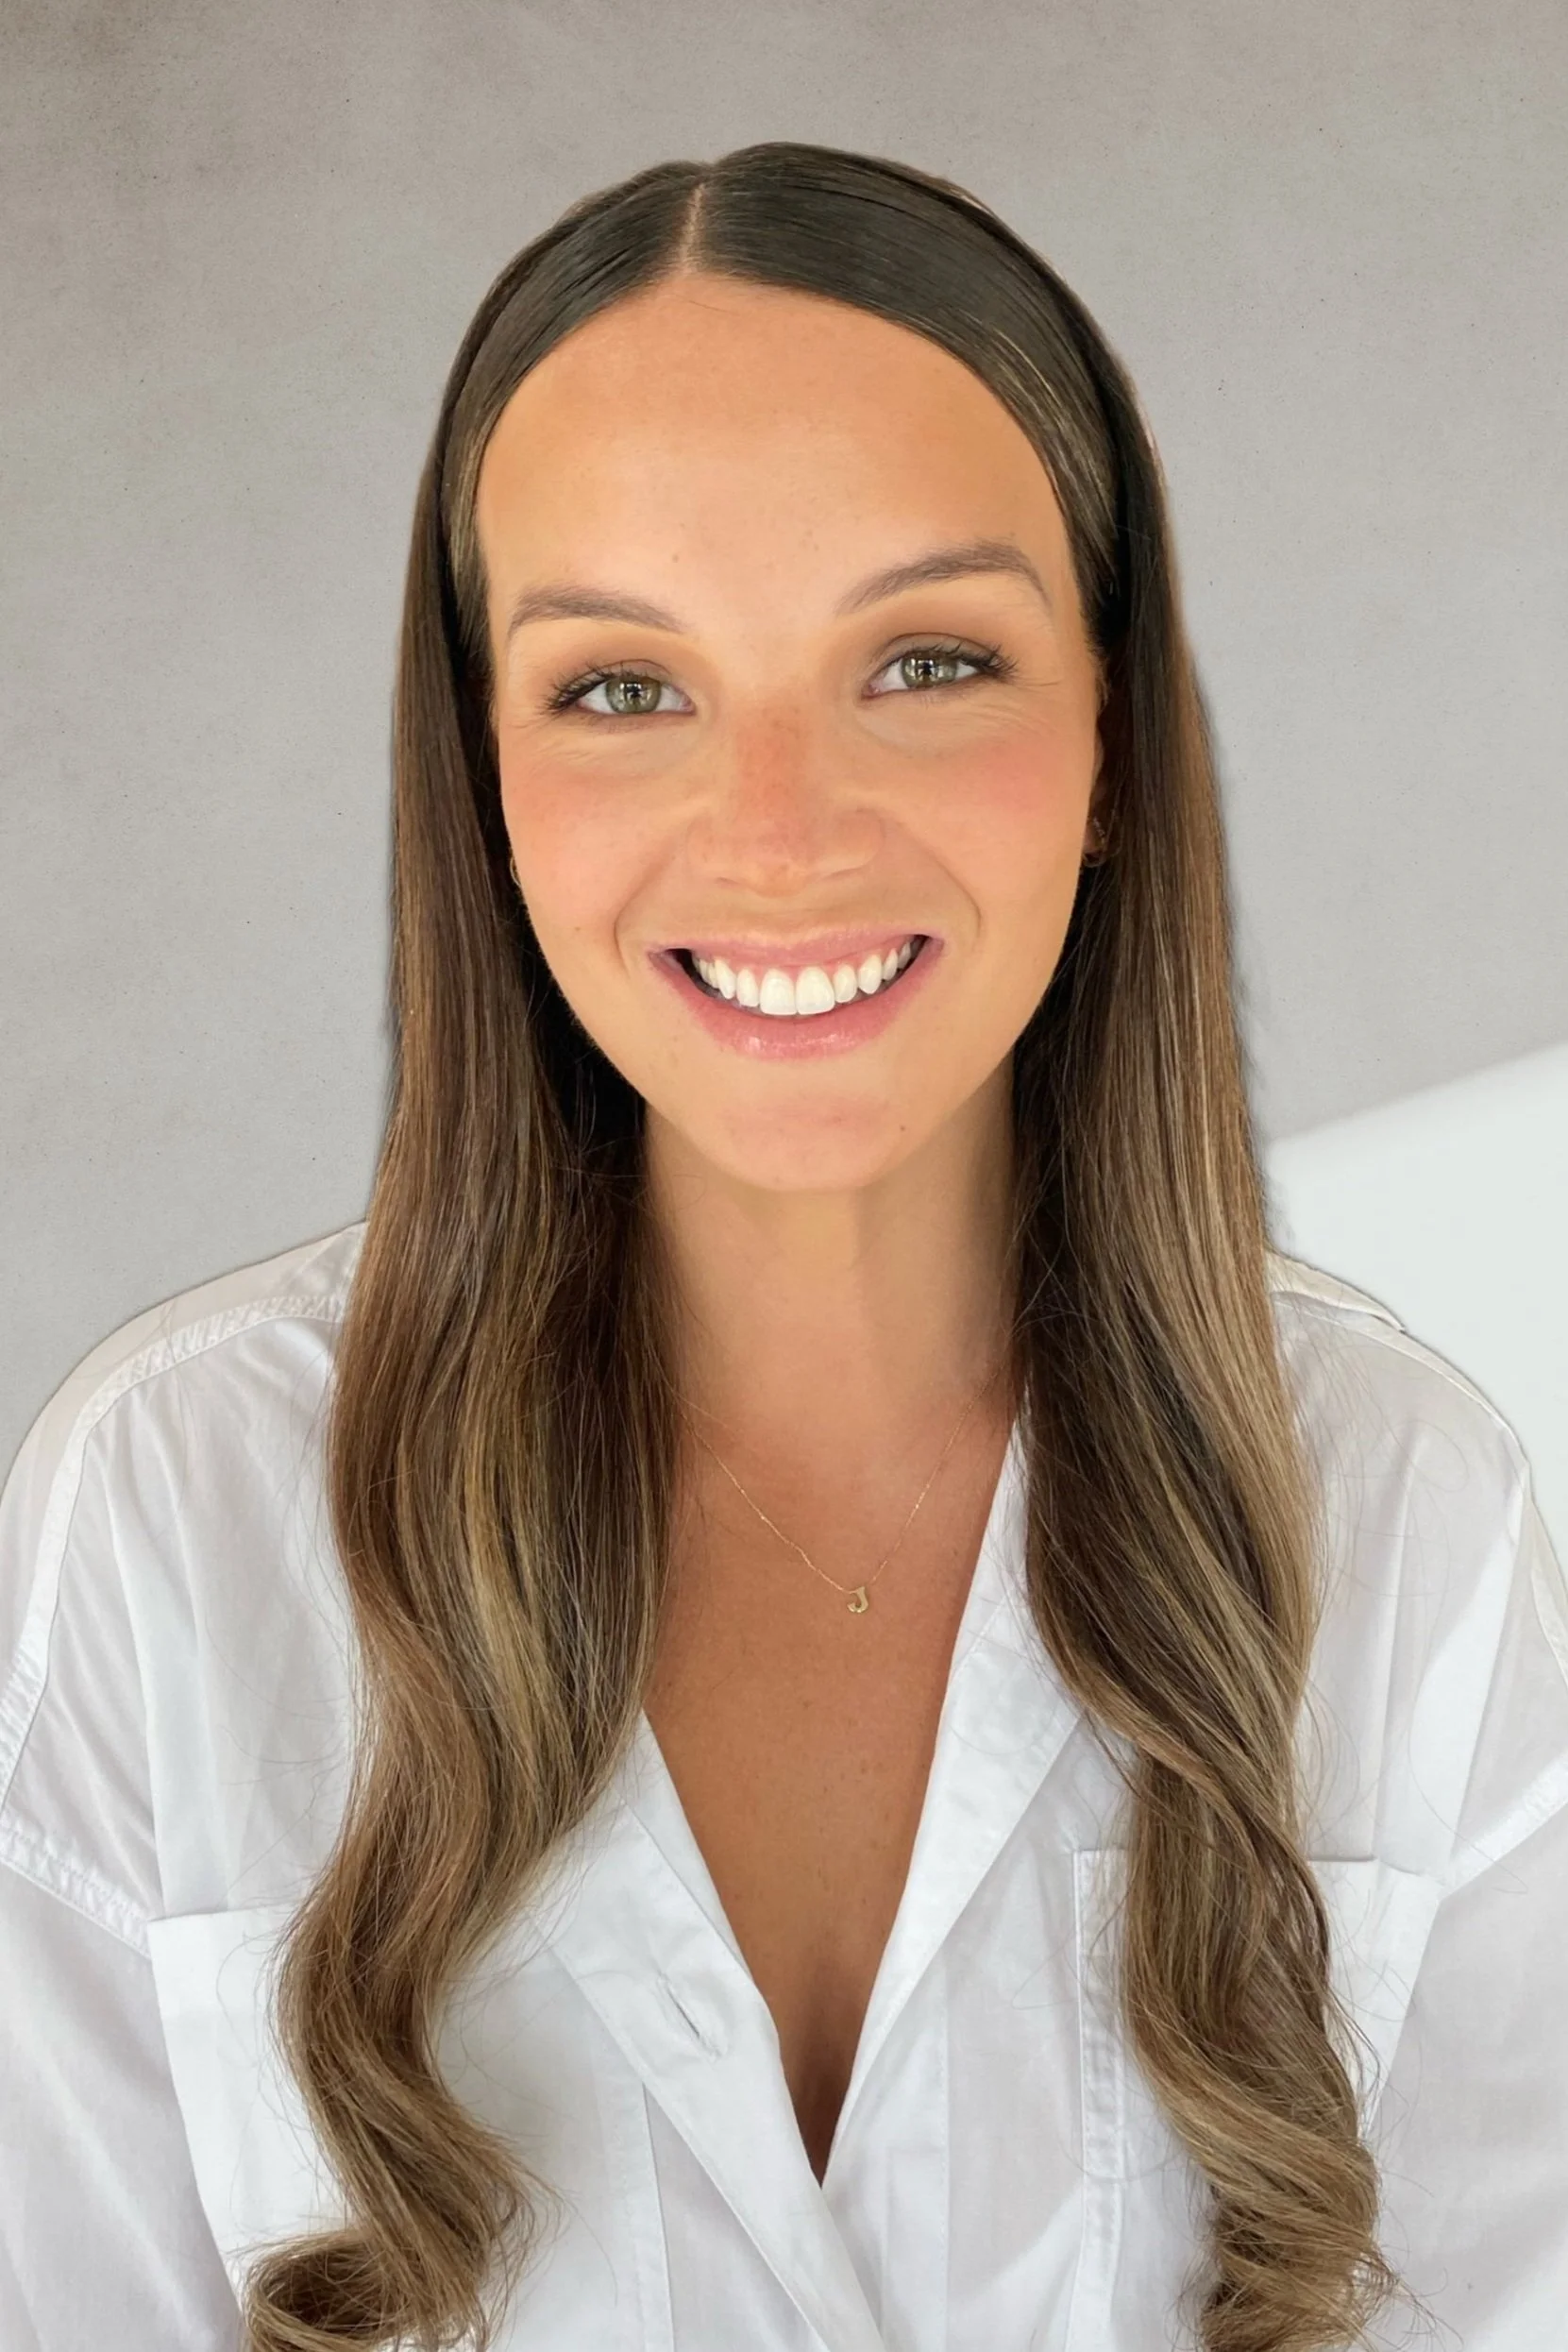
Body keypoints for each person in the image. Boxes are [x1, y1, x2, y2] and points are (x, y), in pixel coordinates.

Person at [2, 141, 1565, 2352]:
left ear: (1110, 737)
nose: (774, 837)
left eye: (922, 659)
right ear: (484, 779)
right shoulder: (170, 1516)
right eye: (619, 687)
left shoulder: (1404, 1517)